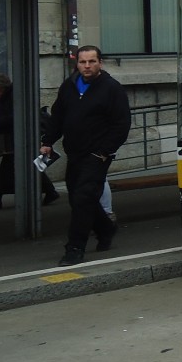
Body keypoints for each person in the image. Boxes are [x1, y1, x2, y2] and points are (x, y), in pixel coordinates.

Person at [40, 45, 131, 267]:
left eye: (92, 61)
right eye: (83, 62)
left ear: (100, 63)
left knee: (83, 197)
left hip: (97, 155)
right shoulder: (69, 86)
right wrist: (48, 142)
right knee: (77, 198)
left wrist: (104, 151)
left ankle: (74, 248)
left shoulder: (112, 88)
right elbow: (58, 116)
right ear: (77, 63)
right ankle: (106, 228)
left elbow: (121, 124)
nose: (87, 66)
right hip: (75, 153)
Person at [0, 74, 59, 211]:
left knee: (13, 169)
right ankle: (50, 192)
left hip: (18, 139)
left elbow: (10, 117)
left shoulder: (12, 98)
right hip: (16, 139)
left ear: (2, 87)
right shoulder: (9, 97)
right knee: (27, 167)